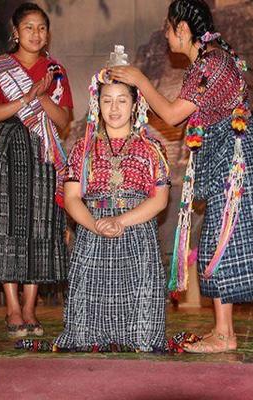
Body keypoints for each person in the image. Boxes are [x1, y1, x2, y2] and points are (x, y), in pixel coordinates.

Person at [110, 0, 253, 353]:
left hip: (236, 159)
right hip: (229, 154)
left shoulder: (211, 65)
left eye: (168, 28)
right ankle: (223, 331)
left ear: (183, 29)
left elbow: (170, 115)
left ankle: (225, 335)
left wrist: (139, 79)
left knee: (221, 240)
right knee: (218, 238)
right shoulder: (211, 60)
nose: (166, 35)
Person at [54, 57, 170, 351]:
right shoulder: (83, 149)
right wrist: (95, 224)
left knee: (142, 335)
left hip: (136, 233)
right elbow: (71, 198)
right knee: (84, 334)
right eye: (107, 101)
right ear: (97, 104)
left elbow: (159, 200)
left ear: (135, 105)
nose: (114, 109)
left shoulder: (151, 149)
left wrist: (121, 221)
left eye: (122, 100)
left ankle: (140, 335)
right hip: (93, 233)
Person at [0, 2, 72, 337]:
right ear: (15, 32)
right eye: (29, 27)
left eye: (42, 27)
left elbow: (63, 120)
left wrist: (43, 96)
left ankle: (31, 308)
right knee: (8, 223)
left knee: (40, 225)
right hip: (8, 149)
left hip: (43, 151)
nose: (36, 34)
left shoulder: (56, 71)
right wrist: (27, 98)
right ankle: (13, 308)